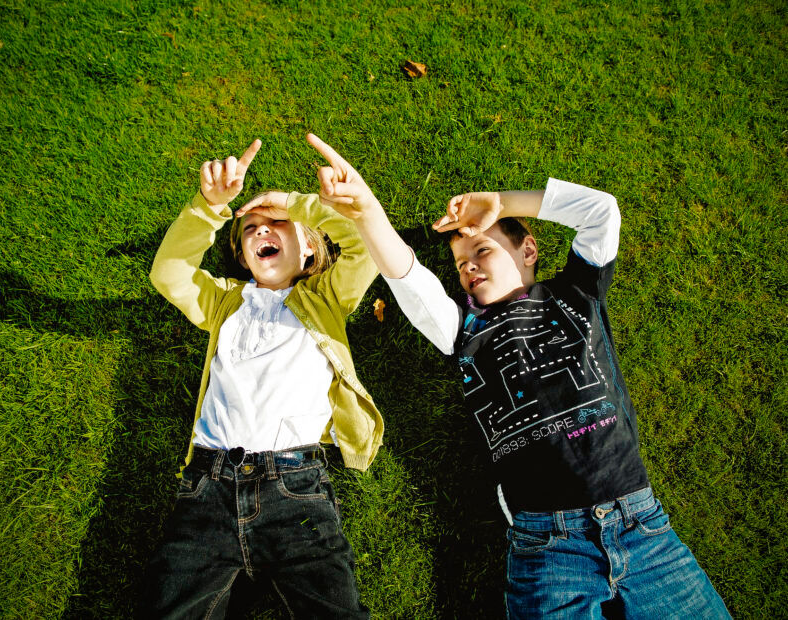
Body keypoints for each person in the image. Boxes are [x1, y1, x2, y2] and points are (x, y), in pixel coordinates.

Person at [305, 133, 731, 618]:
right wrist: (366, 213)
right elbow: (408, 277)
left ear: (528, 250)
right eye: (461, 265)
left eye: (482, 251)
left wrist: (501, 202)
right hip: (547, 546)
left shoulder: (577, 294)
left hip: (645, 529)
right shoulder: (462, 332)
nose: (468, 268)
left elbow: (602, 212)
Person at [141, 138, 382, 619]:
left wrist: (297, 203)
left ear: (310, 249)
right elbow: (169, 274)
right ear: (244, 257)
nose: (260, 232)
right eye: (250, 229)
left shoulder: (326, 298)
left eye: (276, 226)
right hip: (208, 486)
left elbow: (365, 246)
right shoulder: (224, 302)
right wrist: (208, 208)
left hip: (296, 487)